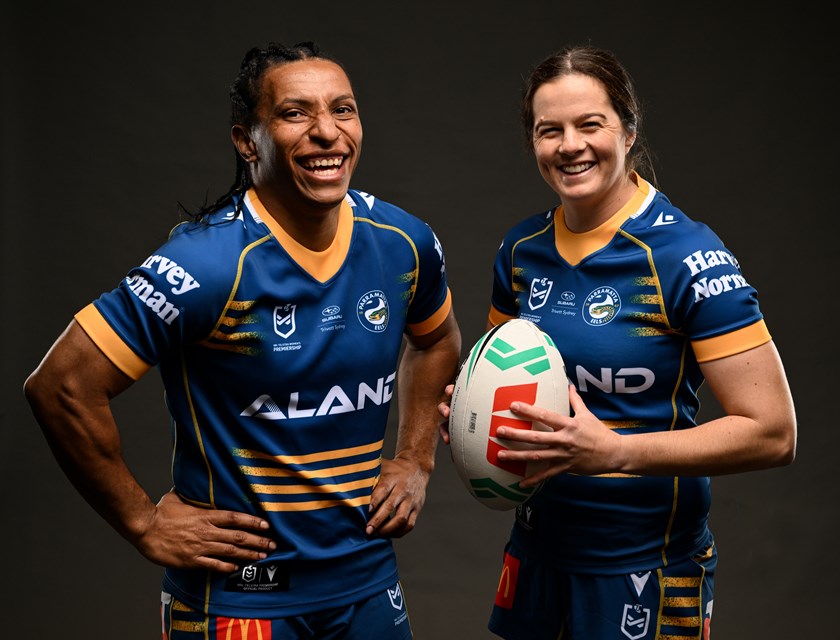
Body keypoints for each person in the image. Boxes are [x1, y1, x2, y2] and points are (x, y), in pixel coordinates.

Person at [24, 41, 461, 639]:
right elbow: (62, 387)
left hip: (367, 586)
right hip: (240, 600)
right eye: (295, 113)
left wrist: (415, 457)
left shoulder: (402, 242)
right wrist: (142, 523)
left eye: (344, 109)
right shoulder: (208, 264)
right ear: (246, 138)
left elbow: (437, 341)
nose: (327, 132)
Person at [439, 44, 796, 639]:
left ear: (628, 130)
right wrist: (471, 415)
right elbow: (504, 377)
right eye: (548, 130)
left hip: (645, 564)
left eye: (590, 124)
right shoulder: (521, 250)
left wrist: (617, 453)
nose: (569, 145)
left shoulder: (684, 257)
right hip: (536, 551)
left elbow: (773, 431)